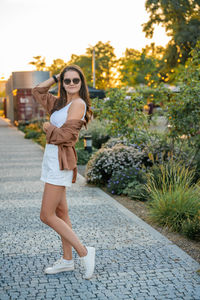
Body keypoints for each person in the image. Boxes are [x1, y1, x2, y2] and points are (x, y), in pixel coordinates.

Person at [32, 64, 95, 280]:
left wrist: (49, 129)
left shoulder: (78, 104)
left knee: (46, 215)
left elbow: (67, 138)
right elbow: (37, 91)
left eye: (75, 80)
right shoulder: (61, 103)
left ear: (81, 83)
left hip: (60, 163)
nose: (70, 84)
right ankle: (67, 261)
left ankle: (84, 252)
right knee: (61, 213)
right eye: (66, 80)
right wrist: (55, 77)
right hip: (51, 160)